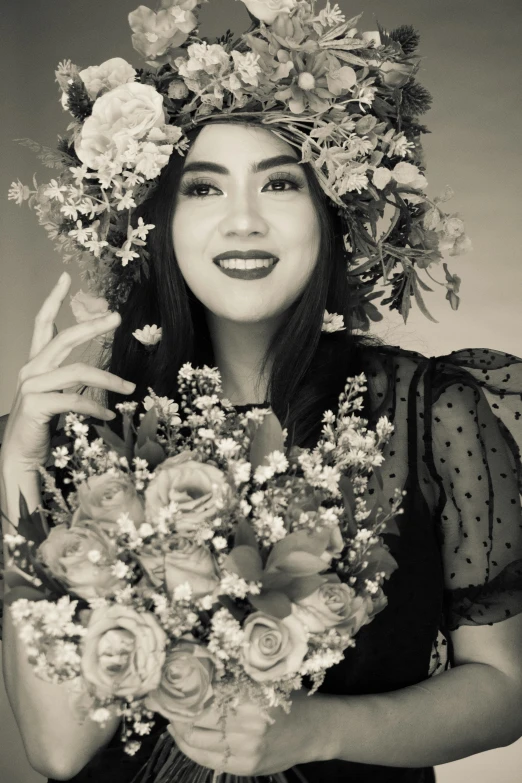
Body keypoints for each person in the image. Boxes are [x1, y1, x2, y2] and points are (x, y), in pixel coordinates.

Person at [2, 2, 522, 782]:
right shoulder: (88, 424)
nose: (243, 222)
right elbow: (58, 750)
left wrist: (317, 729)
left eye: (279, 182)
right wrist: (21, 468)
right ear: (156, 221)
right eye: (203, 190)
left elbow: (505, 689)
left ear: (332, 211)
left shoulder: (430, 410)